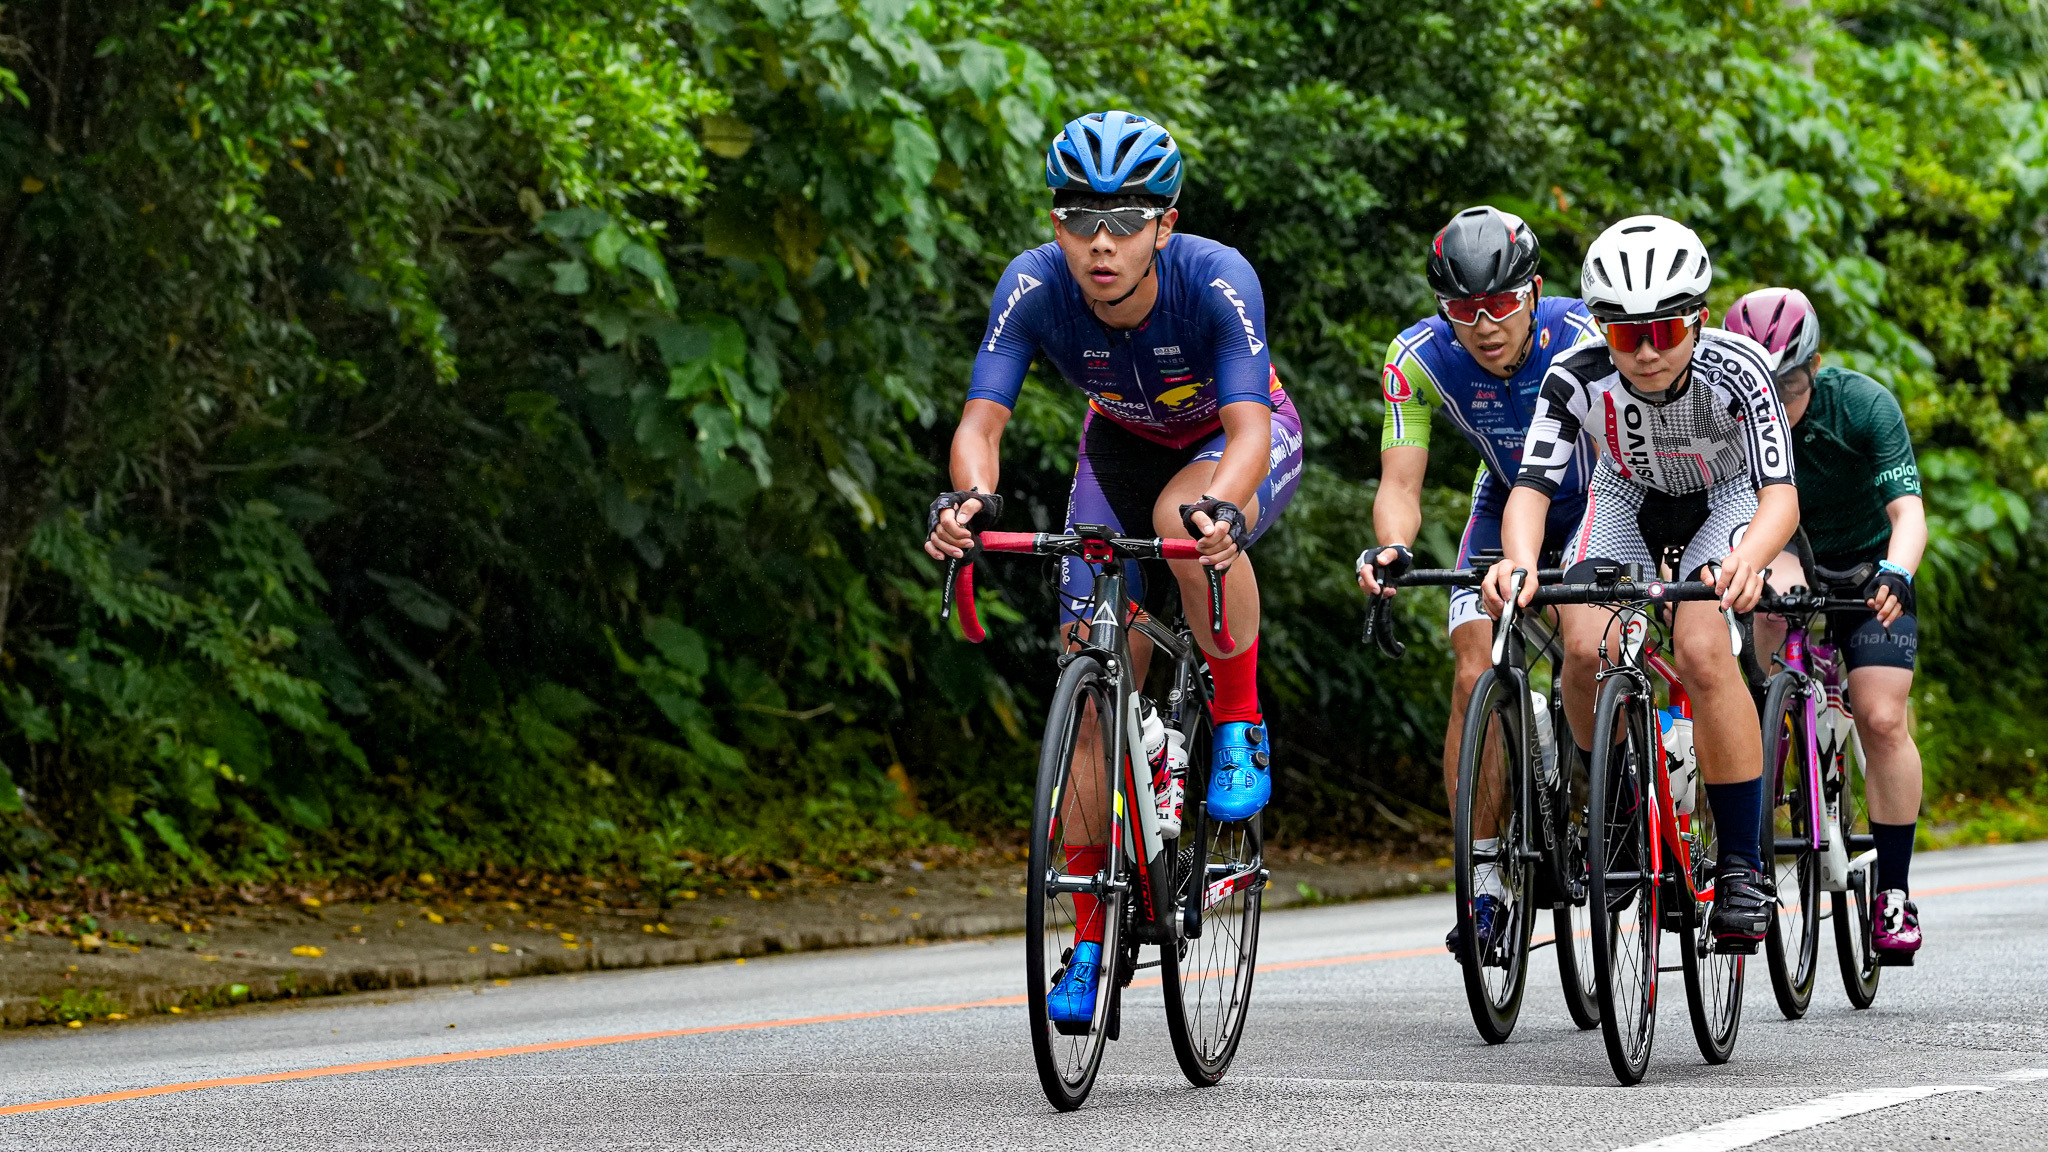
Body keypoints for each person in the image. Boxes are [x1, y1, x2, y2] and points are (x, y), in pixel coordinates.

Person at [924, 110, 1303, 1022]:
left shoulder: (1217, 278)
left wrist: (1225, 511)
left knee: (1185, 516)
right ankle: (1089, 942)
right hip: (1119, 450)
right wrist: (970, 500)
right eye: (1078, 218)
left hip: (1234, 443)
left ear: (1164, 225)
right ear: (1055, 223)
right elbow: (982, 424)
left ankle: (1240, 717)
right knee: (1090, 687)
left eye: (1126, 220)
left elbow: (1250, 427)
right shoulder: (1032, 284)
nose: (1101, 243)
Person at [1481, 215, 1800, 953]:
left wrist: (1748, 558)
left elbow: (1779, 495)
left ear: (1699, 320)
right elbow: (1530, 489)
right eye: (1627, 336)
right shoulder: (1576, 377)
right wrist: (1522, 562)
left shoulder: (1743, 370)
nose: (1649, 351)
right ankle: (1614, 809)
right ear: (1601, 330)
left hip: (1724, 502)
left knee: (1700, 648)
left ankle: (1745, 868)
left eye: (1665, 331)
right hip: (1624, 500)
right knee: (1583, 647)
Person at [1354, 205, 1599, 959]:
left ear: (1534, 292)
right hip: (1501, 507)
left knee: (1589, 655)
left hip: (1600, 498)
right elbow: (1401, 480)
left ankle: (1599, 803)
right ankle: (1487, 884)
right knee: (1473, 672)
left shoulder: (1585, 337)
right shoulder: (1418, 358)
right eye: (1464, 308)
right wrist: (1392, 547)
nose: (1485, 324)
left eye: (1501, 303)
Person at [1728, 287, 1927, 964]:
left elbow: (1909, 513)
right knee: (1769, 607)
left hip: (1869, 561)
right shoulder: (1730, 413)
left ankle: (1894, 891)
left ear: (1813, 367)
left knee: (1880, 717)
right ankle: (1771, 728)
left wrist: (1896, 572)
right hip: (1785, 549)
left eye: (1789, 382)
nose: (1777, 400)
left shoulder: (1862, 405)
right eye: (1764, 384)